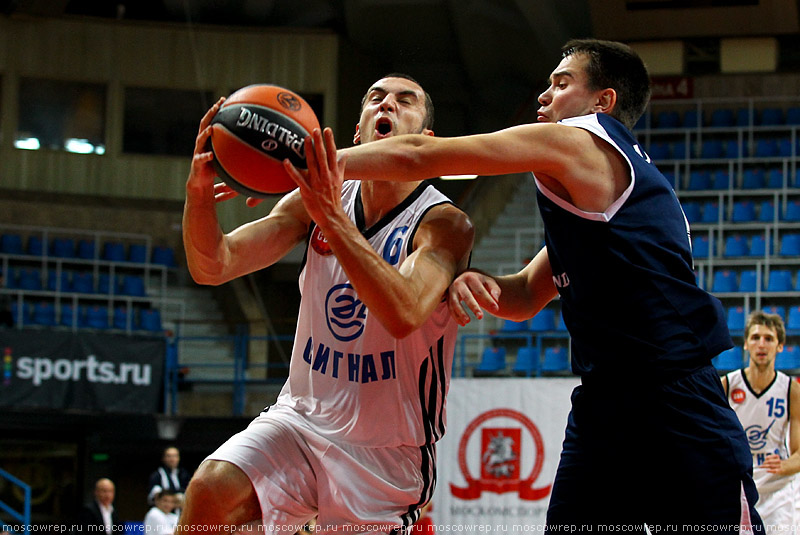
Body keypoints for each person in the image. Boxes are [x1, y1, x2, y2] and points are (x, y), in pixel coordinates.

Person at [334, 39, 763, 533]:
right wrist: (474, 280)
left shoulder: (582, 139)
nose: (544, 95)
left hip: (674, 399)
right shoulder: (594, 196)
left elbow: (418, 156)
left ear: (602, 101)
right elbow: (522, 297)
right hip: (603, 406)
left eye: (561, 84)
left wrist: (302, 167)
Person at [178, 73, 474, 533]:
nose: (387, 106)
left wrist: (333, 220)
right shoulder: (314, 202)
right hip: (300, 421)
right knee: (210, 490)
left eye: (405, 100)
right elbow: (214, 264)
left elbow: (404, 312)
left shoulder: (444, 224)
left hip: (385, 455)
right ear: (357, 133)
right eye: (375, 97)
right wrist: (198, 199)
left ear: (427, 141)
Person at [722, 311, 800, 530]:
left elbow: (799, 454)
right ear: (746, 344)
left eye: (769, 338)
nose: (761, 344)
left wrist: (784, 465)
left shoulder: (792, 391)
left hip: (777, 487)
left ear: (780, 346)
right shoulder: (727, 385)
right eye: (755, 338)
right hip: (738, 484)